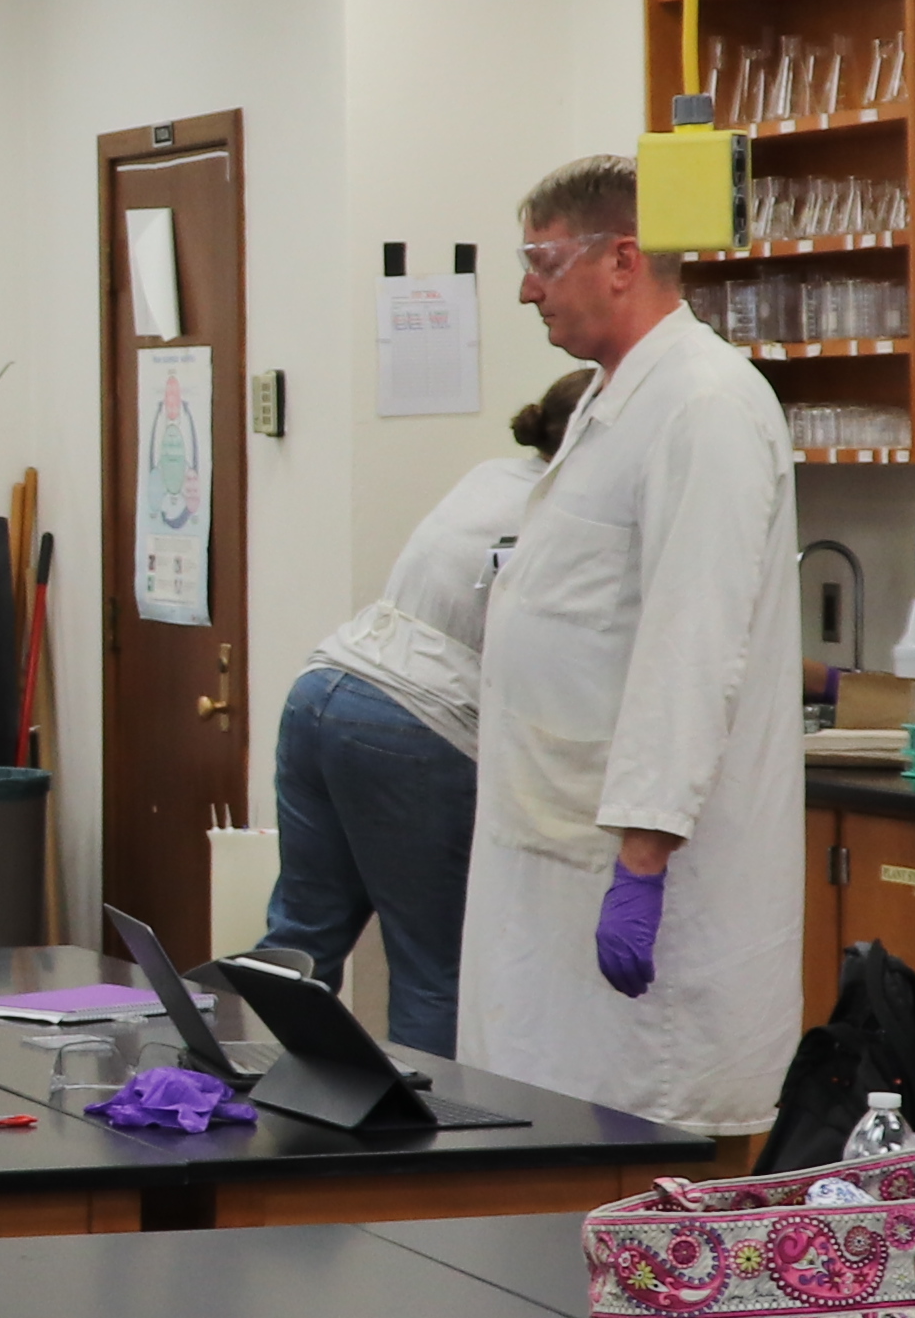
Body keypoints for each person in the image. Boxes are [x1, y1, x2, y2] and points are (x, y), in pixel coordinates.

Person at [456, 156, 807, 1136]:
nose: (527, 287)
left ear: (620, 259)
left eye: (542, 259)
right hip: (555, 847)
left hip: (637, 878)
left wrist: (644, 863)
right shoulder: (619, 400)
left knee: (637, 1159)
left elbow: (693, 646)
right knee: (539, 1126)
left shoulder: (705, 405)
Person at [259, 371, 583, 1055]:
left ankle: (253, 1108)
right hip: (412, 726)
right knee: (438, 971)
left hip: (323, 690)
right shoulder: (569, 513)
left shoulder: (492, 474)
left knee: (301, 942)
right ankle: (434, 1153)